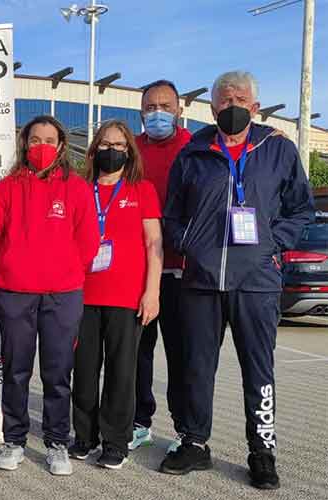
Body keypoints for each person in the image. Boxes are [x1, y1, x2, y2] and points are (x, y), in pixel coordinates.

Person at [161, 71, 314, 490]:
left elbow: (300, 210)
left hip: (258, 282)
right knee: (196, 367)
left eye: (240, 99)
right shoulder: (193, 152)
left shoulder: (278, 150)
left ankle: (262, 450)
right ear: (212, 109)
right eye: (224, 100)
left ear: (255, 106)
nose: (232, 105)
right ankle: (194, 442)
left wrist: (270, 244)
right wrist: (188, 243)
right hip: (202, 282)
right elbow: (171, 214)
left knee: (258, 370)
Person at [0, 115, 99, 475]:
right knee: (16, 371)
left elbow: (88, 242)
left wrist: (64, 272)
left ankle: (56, 443)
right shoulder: (7, 188)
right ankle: (14, 440)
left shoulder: (77, 188)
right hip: (16, 293)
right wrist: (15, 266)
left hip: (62, 295)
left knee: (57, 372)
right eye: (35, 140)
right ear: (24, 144)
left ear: (62, 145)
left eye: (49, 139)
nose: (42, 146)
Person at [69, 120, 162, 470]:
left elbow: (154, 243)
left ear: (129, 151)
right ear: (94, 150)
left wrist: (152, 292)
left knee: (122, 373)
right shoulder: (80, 189)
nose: (112, 151)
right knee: (84, 369)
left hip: (126, 296)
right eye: (106, 144)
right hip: (82, 295)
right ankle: (84, 436)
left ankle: (115, 441)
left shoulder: (142, 190)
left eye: (120, 146)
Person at [131, 80, 193, 453]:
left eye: (165, 105)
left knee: (183, 354)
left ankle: (187, 431)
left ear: (179, 109)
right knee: (137, 354)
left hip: (184, 270)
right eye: (151, 106)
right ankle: (139, 422)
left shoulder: (196, 147)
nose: (158, 113)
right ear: (141, 113)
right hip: (138, 272)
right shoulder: (130, 151)